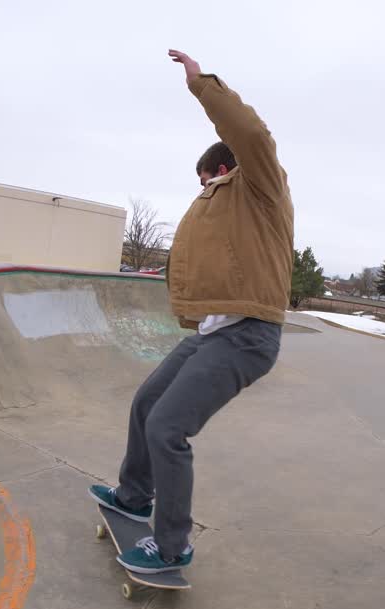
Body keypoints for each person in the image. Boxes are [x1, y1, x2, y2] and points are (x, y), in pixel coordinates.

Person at [89, 49, 294, 574]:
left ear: (222, 169)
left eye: (205, 179)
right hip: (212, 333)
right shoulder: (222, 204)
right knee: (145, 404)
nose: (201, 188)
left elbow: (251, 134)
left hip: (247, 335)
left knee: (167, 429)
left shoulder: (260, 186)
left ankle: (173, 544)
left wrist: (202, 85)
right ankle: (135, 495)